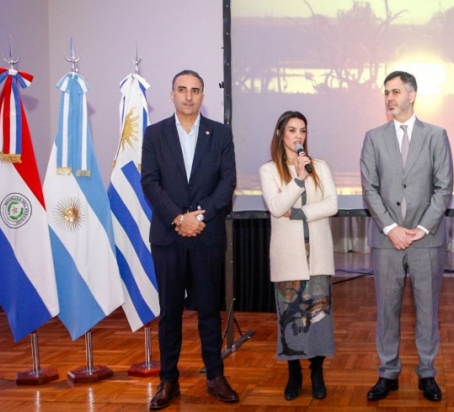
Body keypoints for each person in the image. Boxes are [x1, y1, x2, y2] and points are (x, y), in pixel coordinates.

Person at [141, 70, 239, 409]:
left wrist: (199, 217)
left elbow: (227, 183)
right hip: (168, 237)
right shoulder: (154, 134)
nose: (188, 96)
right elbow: (150, 182)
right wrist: (177, 218)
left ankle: (215, 375)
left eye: (195, 91)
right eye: (182, 90)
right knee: (169, 312)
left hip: (207, 234)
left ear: (202, 96)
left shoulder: (221, 134)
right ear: (171, 95)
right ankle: (168, 381)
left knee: (209, 310)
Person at [360, 70, 454, 402]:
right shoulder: (373, 137)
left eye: (396, 92)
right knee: (387, 310)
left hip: (426, 239)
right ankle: (388, 374)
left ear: (411, 95)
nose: (390, 98)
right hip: (387, 240)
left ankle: (427, 373)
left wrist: (421, 228)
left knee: (427, 310)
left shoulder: (436, 136)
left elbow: (444, 189)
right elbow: (369, 189)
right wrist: (391, 228)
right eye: (386, 92)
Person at [259, 111, 338, 401]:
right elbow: (277, 206)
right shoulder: (269, 170)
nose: (298, 136)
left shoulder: (321, 166)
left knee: (318, 317)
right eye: (292, 130)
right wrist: (299, 179)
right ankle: (294, 373)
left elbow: (332, 205)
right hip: (288, 257)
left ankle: (317, 371)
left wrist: (302, 213)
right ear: (281, 134)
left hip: (316, 255)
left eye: (302, 130)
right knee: (291, 317)